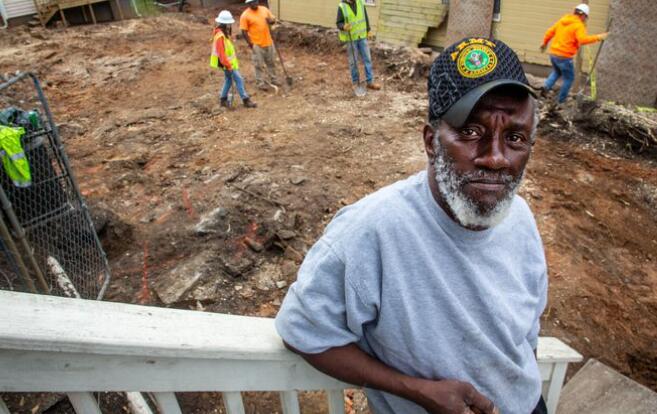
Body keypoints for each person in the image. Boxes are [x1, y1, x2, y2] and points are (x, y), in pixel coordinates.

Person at [275, 37, 549, 414]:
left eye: (515, 138)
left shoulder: (521, 218)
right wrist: (417, 390)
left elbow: (527, 328)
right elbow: (302, 330)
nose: (496, 159)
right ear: (431, 142)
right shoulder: (370, 231)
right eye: (471, 132)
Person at [540, 3, 608, 103]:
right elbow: (582, 40)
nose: (585, 19)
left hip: (554, 54)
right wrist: (598, 37)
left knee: (557, 72)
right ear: (583, 15)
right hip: (564, 57)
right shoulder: (578, 25)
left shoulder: (563, 20)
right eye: (586, 17)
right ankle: (561, 101)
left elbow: (550, 32)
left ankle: (545, 87)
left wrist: (544, 43)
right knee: (569, 78)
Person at [211, 10, 256, 109]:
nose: (230, 26)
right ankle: (246, 100)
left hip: (228, 63)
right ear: (225, 24)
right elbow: (221, 53)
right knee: (239, 79)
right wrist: (228, 65)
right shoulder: (220, 36)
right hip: (227, 64)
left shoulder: (222, 34)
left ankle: (223, 100)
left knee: (228, 80)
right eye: (229, 24)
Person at [336, 0, 381, 92]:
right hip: (351, 39)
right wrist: (343, 26)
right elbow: (338, 22)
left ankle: (370, 82)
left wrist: (368, 30)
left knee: (367, 59)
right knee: (354, 62)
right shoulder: (342, 6)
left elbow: (365, 17)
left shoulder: (360, 2)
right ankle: (356, 83)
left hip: (362, 36)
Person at [240, 0, 279, 90]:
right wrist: (251, 44)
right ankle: (260, 83)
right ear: (248, 4)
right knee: (258, 64)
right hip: (256, 43)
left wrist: (271, 21)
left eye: (256, 1)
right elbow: (244, 31)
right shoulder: (245, 15)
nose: (255, 3)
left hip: (268, 41)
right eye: (252, 2)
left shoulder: (264, 9)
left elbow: (273, 21)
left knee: (271, 61)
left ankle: (274, 79)